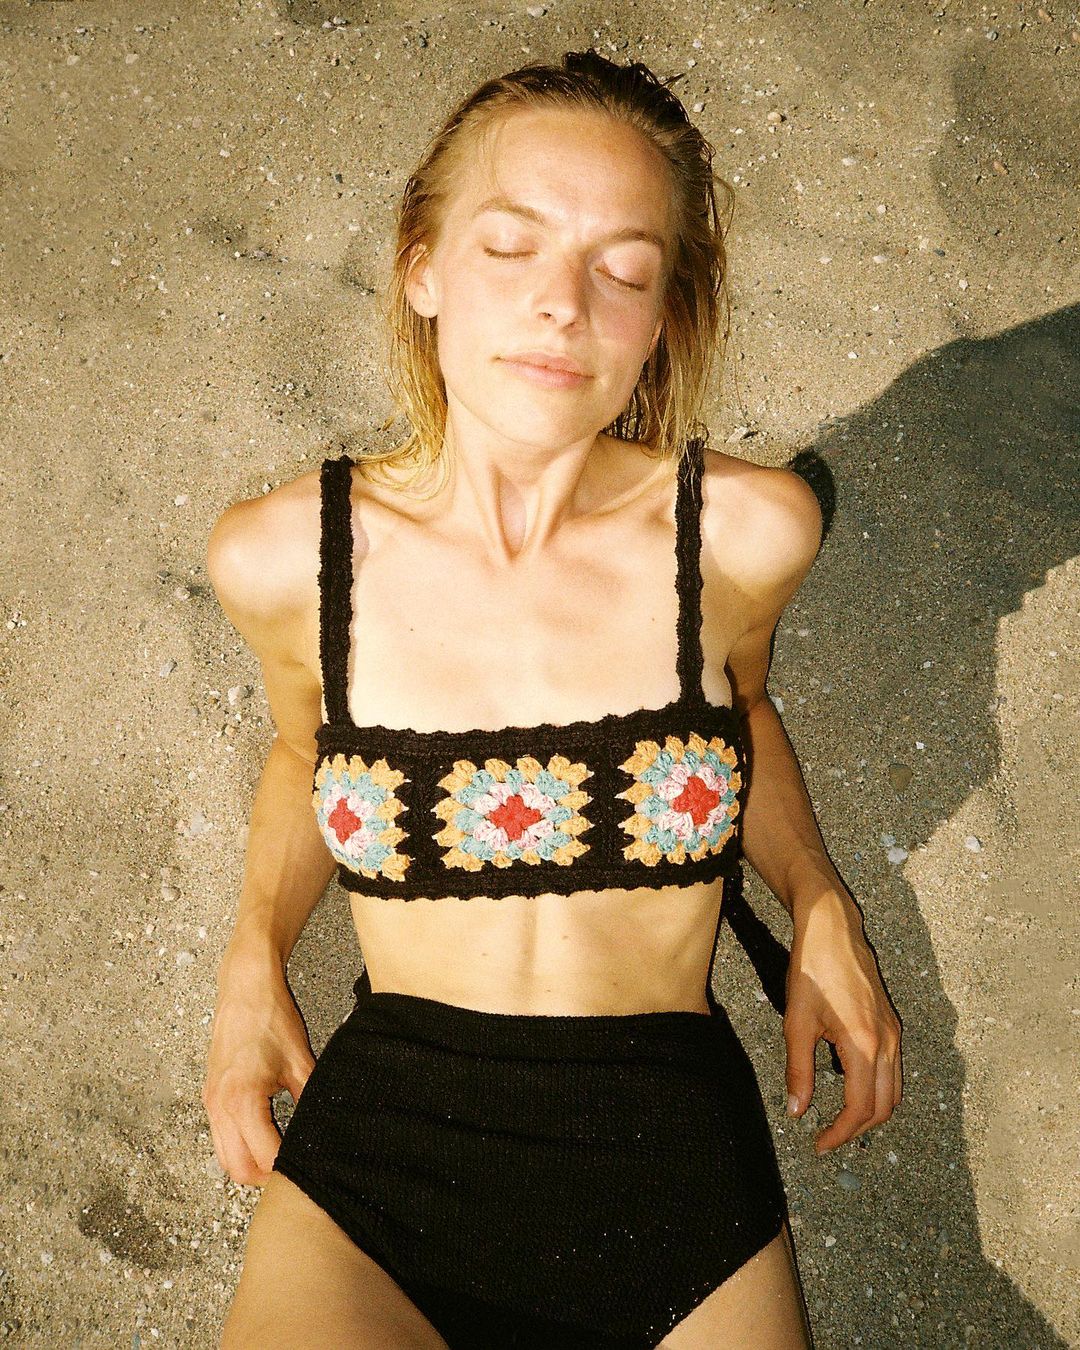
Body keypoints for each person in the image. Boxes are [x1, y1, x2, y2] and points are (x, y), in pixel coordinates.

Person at [202, 49, 902, 1349]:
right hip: (382, 1169)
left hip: (674, 1159)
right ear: (422, 267)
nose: (562, 306)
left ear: (662, 316)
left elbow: (745, 720)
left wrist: (819, 897)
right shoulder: (289, 558)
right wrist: (254, 952)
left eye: (622, 270)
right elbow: (305, 750)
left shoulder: (742, 535)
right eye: (512, 246)